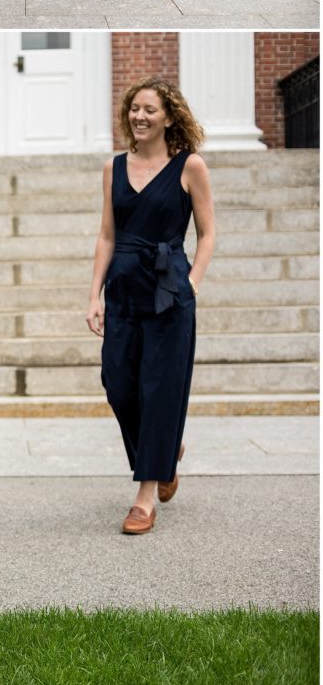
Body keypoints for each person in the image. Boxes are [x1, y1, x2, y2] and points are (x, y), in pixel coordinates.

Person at [86, 78, 215, 535]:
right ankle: (165, 451)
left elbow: (208, 232)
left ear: (169, 117)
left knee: (159, 388)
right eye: (134, 109)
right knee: (119, 384)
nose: (139, 117)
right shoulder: (113, 167)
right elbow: (106, 234)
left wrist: (193, 283)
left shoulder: (189, 166)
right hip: (122, 288)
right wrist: (94, 294)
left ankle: (145, 496)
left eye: (149, 110)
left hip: (168, 293)